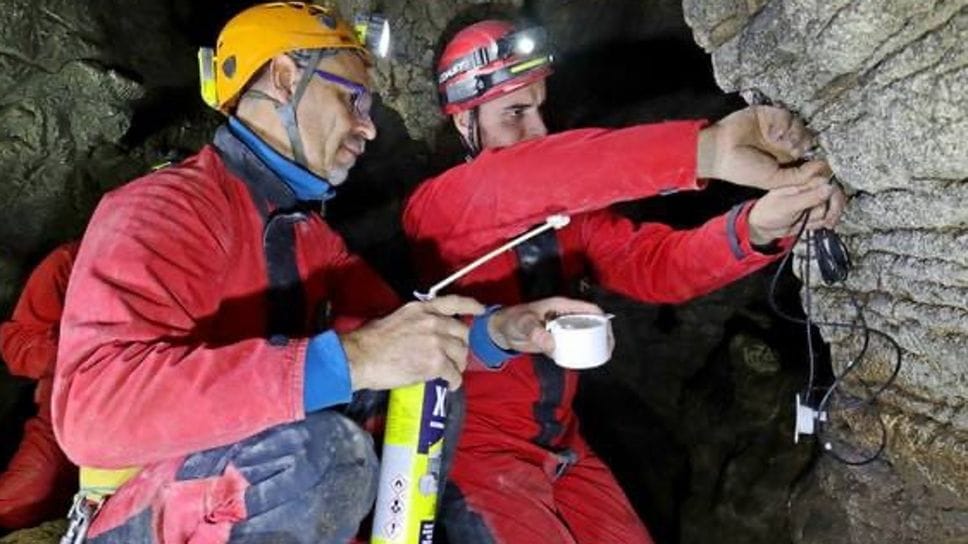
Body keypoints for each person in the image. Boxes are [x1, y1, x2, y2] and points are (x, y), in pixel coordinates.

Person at [51, 5, 598, 543]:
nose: (368, 128)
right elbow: (91, 417)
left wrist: (501, 331)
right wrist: (350, 360)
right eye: (352, 99)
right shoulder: (165, 207)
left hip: (237, 487)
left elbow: (402, 335)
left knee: (428, 385)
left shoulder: (305, 234)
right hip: (146, 512)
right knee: (320, 454)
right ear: (285, 78)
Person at [403, 19, 847, 543]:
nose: (538, 129)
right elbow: (530, 177)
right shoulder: (436, 207)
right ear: (464, 122)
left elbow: (654, 265)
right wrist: (707, 150)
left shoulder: (571, 218)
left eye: (541, 108)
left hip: (559, 438)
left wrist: (755, 229)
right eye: (515, 113)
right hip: (469, 447)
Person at [0, 242, 79, 530]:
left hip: (149, 418)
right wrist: (79, 354)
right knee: (21, 501)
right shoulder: (71, 261)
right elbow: (18, 347)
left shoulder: (188, 263)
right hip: (68, 412)